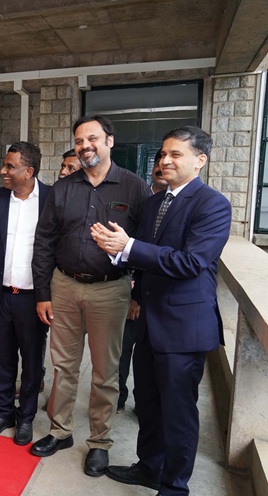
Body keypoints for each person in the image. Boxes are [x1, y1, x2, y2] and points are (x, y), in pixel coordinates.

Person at [94, 127, 232, 496]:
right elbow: (142, 256)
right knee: (149, 404)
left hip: (184, 325)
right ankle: (149, 467)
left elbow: (191, 263)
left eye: (175, 155)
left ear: (200, 160)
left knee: (178, 413)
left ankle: (174, 487)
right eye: (162, 155)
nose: (165, 161)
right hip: (149, 320)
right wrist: (117, 252)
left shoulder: (212, 204)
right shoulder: (155, 202)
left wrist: (130, 246)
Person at [29, 116, 149, 475]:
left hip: (110, 290)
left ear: (110, 141)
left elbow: (146, 246)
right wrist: (42, 292)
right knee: (63, 365)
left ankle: (99, 441)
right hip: (63, 286)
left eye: (92, 138)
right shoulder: (64, 188)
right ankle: (60, 430)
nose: (85, 146)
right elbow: (44, 241)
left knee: (104, 372)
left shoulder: (134, 188)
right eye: (79, 141)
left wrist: (136, 293)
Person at [0, 142, 52, 445]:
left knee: (32, 362)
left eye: (10, 166)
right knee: (2, 358)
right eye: (4, 165)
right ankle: (3, 412)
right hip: (1, 295)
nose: (2, 171)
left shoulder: (51, 199)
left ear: (29, 171)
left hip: (35, 298)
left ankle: (26, 417)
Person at [116, 153, 167, 414]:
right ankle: (119, 397)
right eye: (159, 160)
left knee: (154, 358)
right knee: (124, 349)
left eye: (170, 158)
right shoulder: (144, 200)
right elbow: (132, 245)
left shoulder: (180, 204)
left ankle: (145, 404)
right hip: (135, 288)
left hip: (164, 297)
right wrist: (134, 294)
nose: (162, 166)